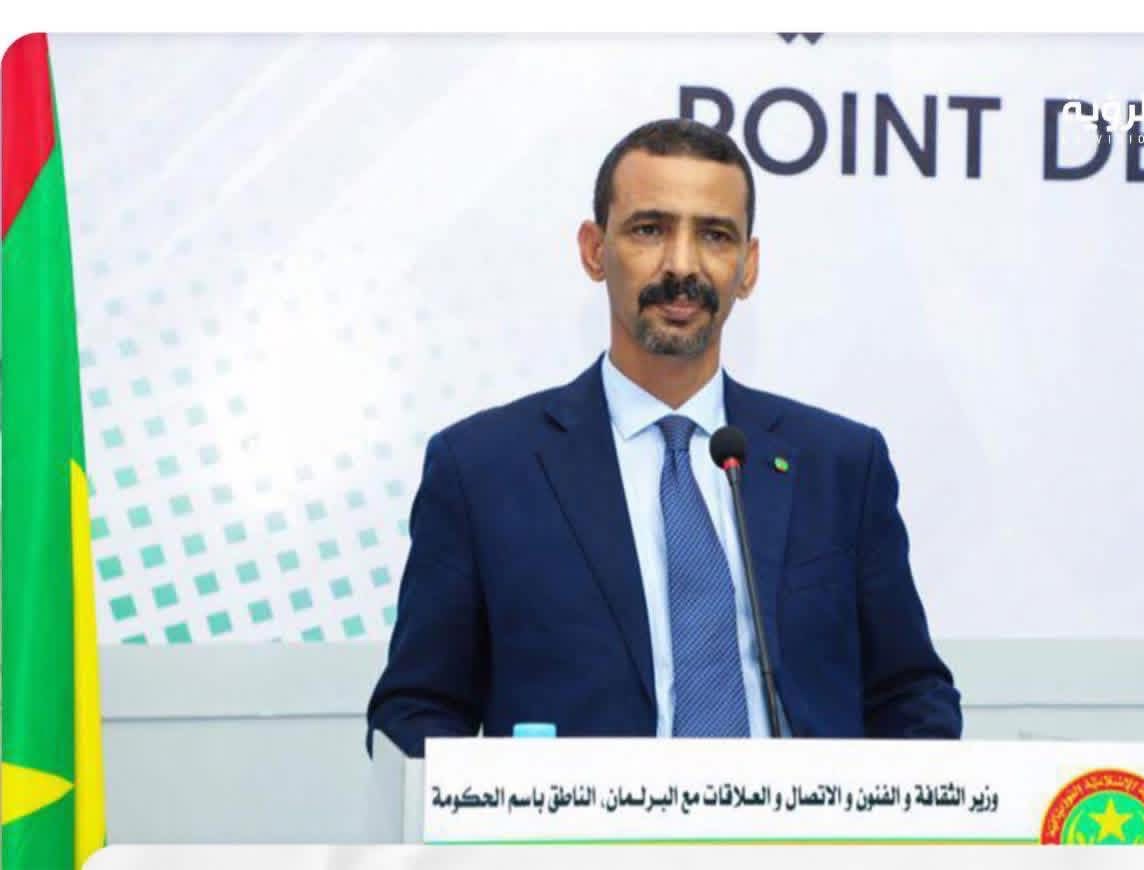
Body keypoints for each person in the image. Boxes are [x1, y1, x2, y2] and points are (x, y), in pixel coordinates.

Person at [366, 118, 961, 755]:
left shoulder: (840, 466)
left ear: (749, 267)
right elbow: (417, 710)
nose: (681, 265)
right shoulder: (483, 469)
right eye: (650, 230)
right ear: (594, 250)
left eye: (715, 236)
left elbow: (911, 696)